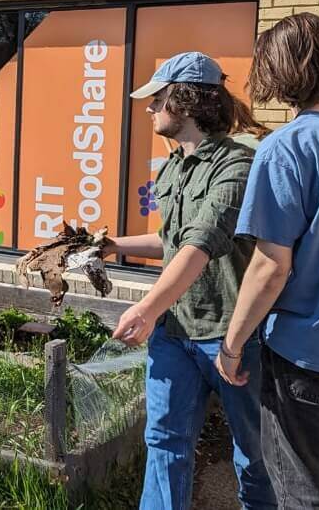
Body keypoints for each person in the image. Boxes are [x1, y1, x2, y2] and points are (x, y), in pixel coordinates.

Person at [103, 51, 275, 509]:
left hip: (232, 335)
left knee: (254, 455)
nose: (149, 109)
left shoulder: (237, 167)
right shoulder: (174, 167)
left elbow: (200, 245)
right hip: (175, 332)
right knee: (164, 442)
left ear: (184, 101)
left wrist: (145, 307)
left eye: (157, 100)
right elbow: (172, 241)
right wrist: (113, 245)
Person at [216, 13, 319, 508]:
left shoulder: (285, 149)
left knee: (303, 492)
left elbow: (270, 266)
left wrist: (232, 346)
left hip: (304, 354)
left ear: (280, 70)